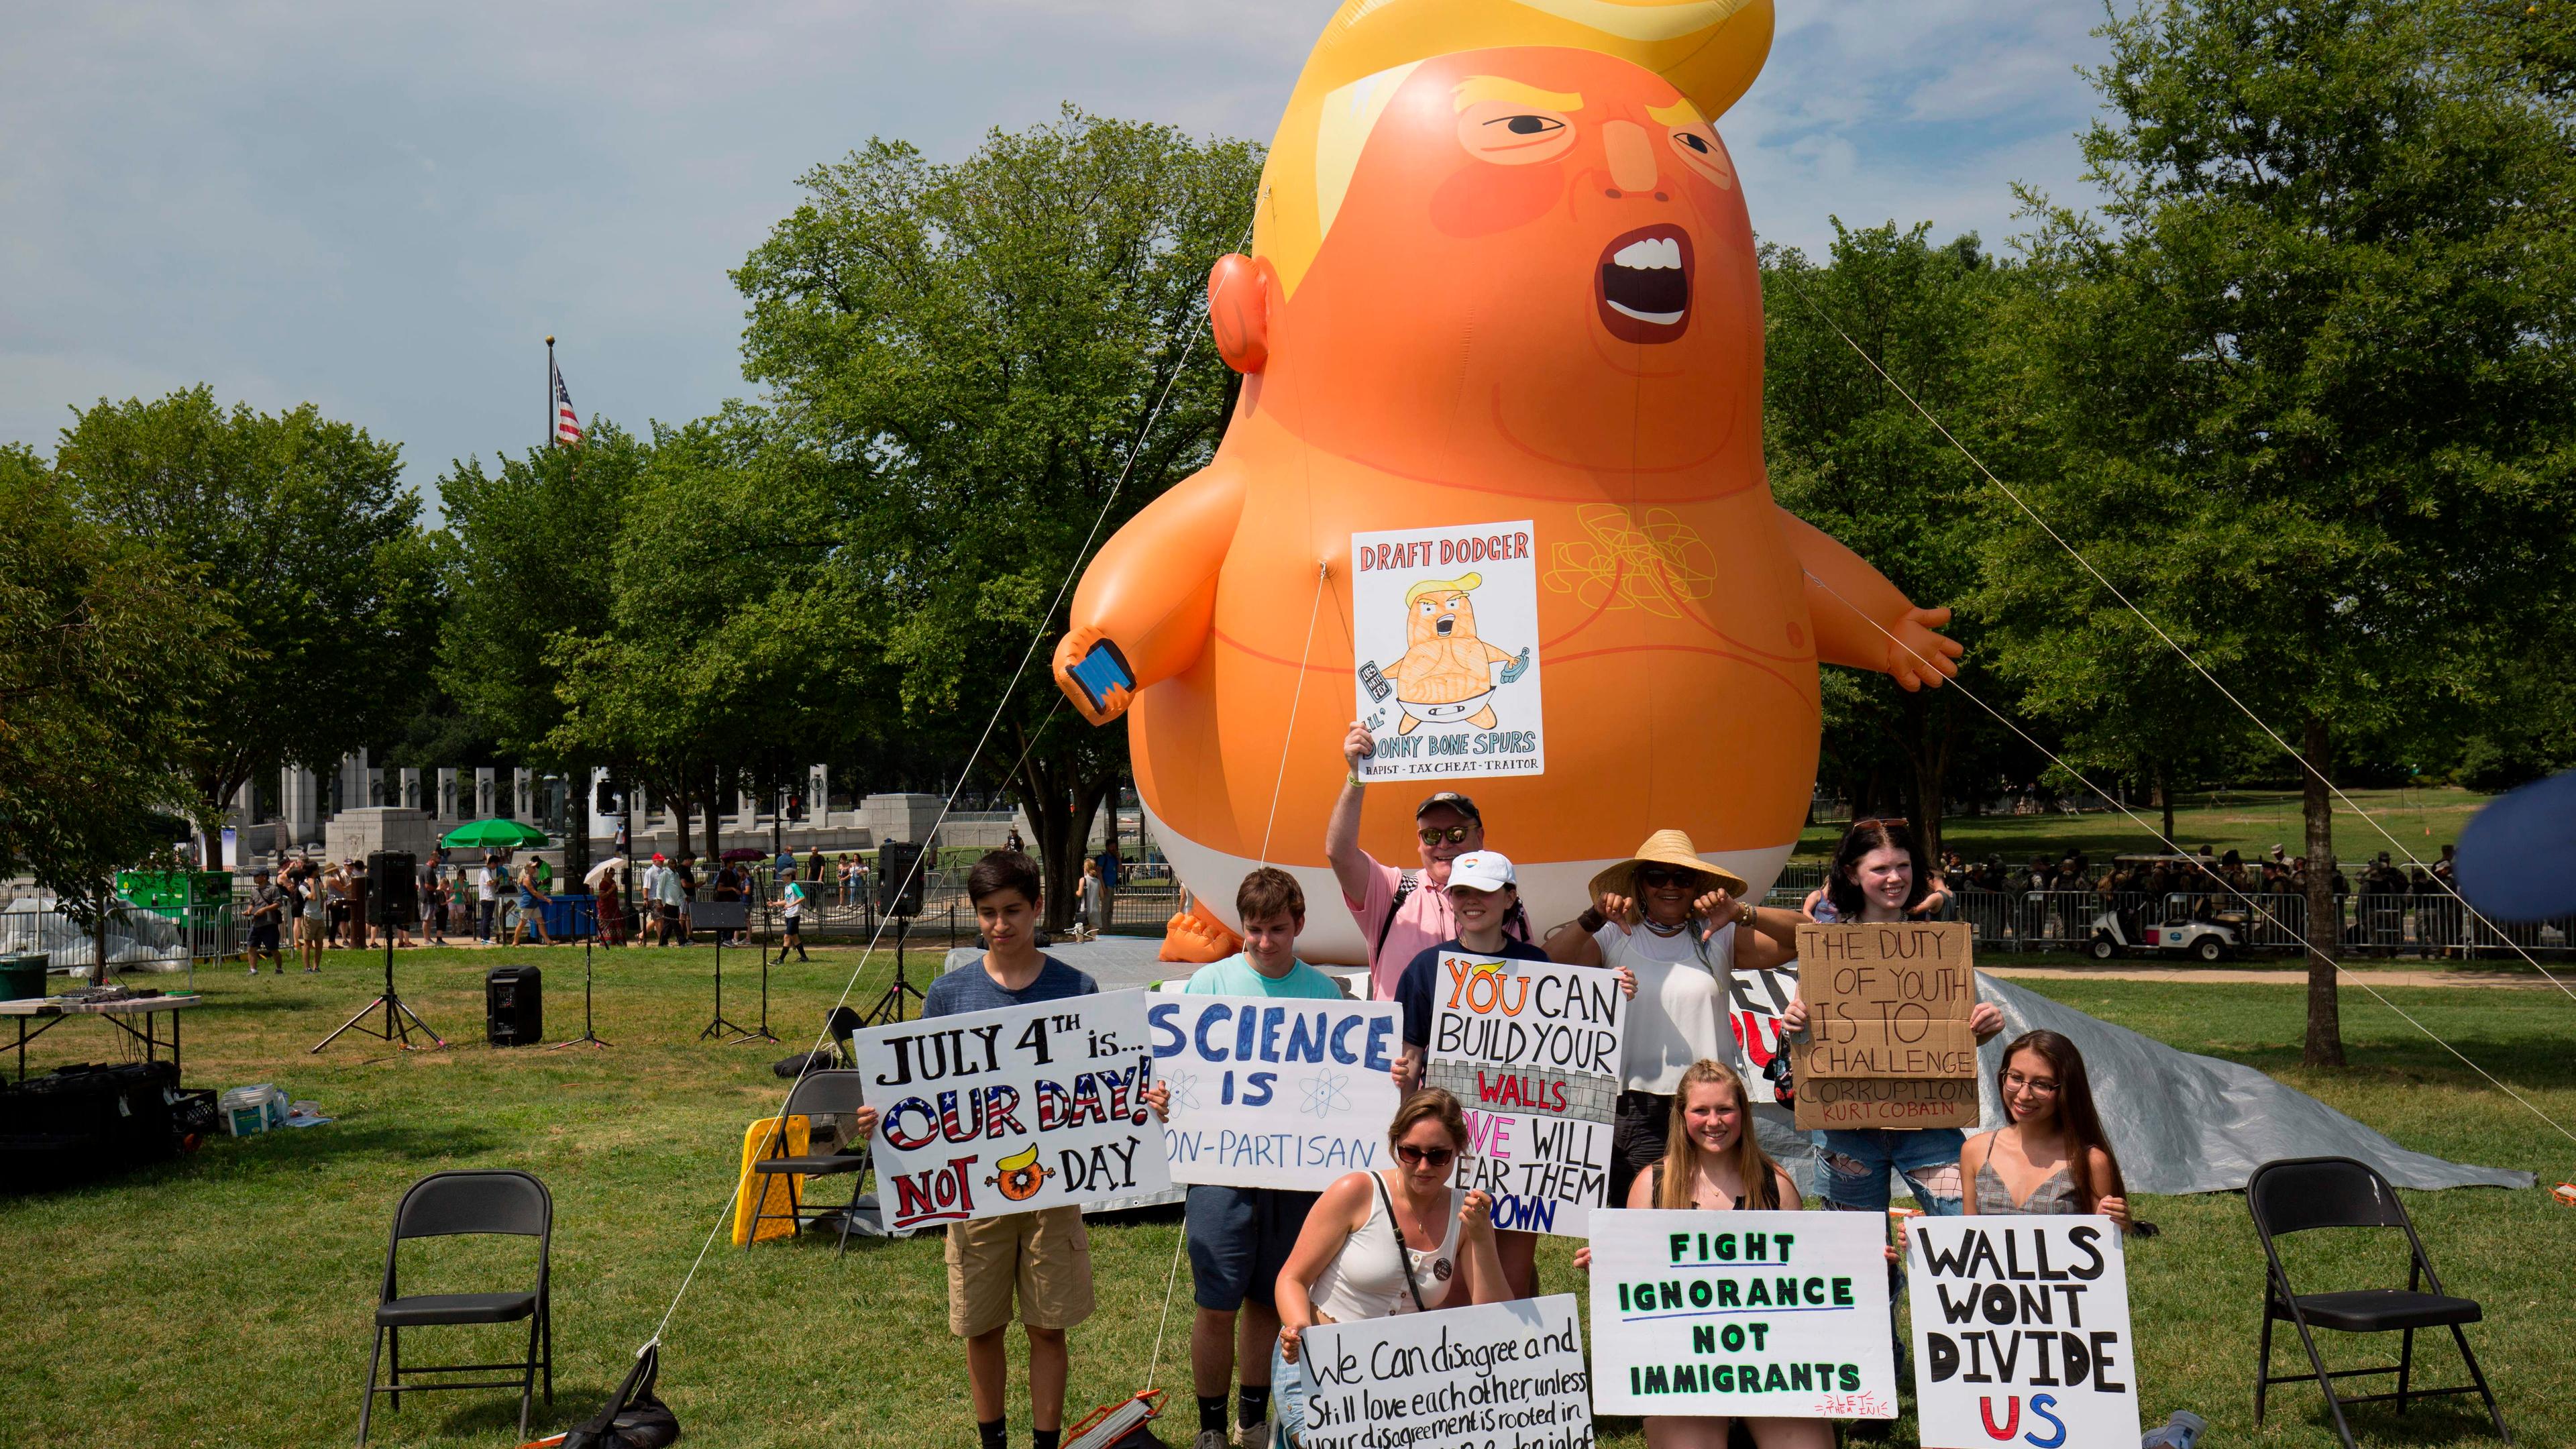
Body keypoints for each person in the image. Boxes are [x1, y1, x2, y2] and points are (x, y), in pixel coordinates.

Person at [850, 852, 1104, 1449]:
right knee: (981, 1328)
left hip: (1053, 1189)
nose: (1000, 925)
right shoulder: (948, 995)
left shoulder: (1077, 988)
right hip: (972, 1194)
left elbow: (1102, 1083)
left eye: (1013, 911)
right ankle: (993, 1441)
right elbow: (919, 1097)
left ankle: (1045, 1441)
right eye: (987, 913)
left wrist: (1141, 1097)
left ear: (1038, 907)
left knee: (1048, 1328)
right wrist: (882, 1119)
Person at [1572, 1059, 1829, 1449]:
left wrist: (1862, 1267)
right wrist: (1608, 1268)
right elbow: (1635, 1284)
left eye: (1725, 1109)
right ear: (1681, 1116)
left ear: (1743, 1112)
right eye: (1701, 1110)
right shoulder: (1651, 1184)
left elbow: (1809, 1272)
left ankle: (1745, 1419)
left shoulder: (1774, 1184)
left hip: (1770, 1361)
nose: (1714, 1121)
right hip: (1680, 1363)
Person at [1176, 868, 1346, 1449]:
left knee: (1268, 1301)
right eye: (1254, 930)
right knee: (1216, 1302)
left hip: (1299, 1177)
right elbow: (1176, 1083)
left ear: (1299, 924)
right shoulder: (1208, 986)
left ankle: (1252, 1419)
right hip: (1220, 1172)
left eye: (1277, 929)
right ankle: (1209, 1427)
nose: (1265, 941)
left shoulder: (1326, 994)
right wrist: (1163, 1098)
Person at [1546, 830, 1799, 1214]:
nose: (1669, 886)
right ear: (1639, 884)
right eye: (1656, 876)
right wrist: (1593, 918)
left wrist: (1743, 912)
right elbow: (1546, 966)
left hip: (1711, 1103)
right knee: (1640, 1219)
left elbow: (1806, 937)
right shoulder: (1614, 934)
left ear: (1697, 884)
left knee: (1719, 1208)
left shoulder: (1720, 935)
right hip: (1636, 1103)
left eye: (1682, 878)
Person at [1782, 819, 2006, 1216]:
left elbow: (1952, 1032)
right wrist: (1795, 1024)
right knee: (1857, 1259)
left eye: (1902, 866)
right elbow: (1805, 1041)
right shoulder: (1826, 947)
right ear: (1852, 874)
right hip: (1845, 1127)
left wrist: (1983, 1027)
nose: (1894, 878)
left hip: (1929, 1121)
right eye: (1880, 868)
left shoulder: (1940, 945)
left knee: (1961, 1233)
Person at [1387, 849, 1576, 1299]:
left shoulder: (1538, 966)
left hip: (1519, 1153)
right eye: (1462, 892)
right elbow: (1409, 1060)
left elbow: (1567, 1055)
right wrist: (1403, 1133)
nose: (1473, 902)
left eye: (1486, 892)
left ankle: (1518, 1363)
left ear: (1510, 898)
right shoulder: (1426, 969)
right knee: (1446, 1283)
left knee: (1508, 1280)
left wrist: (1618, 992)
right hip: (1448, 1147)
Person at [1272, 1089, 1509, 1447]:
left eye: (1438, 1155)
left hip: (1401, 1383)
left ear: (1459, 1152)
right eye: (1411, 1152)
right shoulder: (1356, 1191)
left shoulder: (1466, 1214)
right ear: (1395, 1145)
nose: (1424, 1166)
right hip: (1321, 1368)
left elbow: (1496, 1318)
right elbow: (1292, 1277)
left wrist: (1482, 1238)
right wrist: (1298, 1328)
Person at [1326, 720, 1528, 1001]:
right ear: (1420, 842)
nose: (1444, 844)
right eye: (1431, 835)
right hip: (1402, 1043)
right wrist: (1356, 777)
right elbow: (1339, 853)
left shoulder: (1504, 898)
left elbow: (1536, 971)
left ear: (1480, 837)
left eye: (1456, 834)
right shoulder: (1393, 891)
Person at [1960, 1030, 2131, 1226]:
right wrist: (1917, 1227)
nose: (2024, 1095)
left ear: (2066, 1089)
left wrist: (2112, 1224)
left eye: (2041, 1084)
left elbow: (2103, 1247)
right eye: (2016, 1078)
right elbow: (1969, 1238)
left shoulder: (2090, 1161)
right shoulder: (1975, 1151)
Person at [245, 869, 284, 974]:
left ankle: (279, 969)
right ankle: (253, 970)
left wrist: (264, 910)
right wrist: (249, 911)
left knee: (273, 949)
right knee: (251, 947)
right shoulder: (254, 891)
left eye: (257, 876)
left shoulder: (273, 889)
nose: (254, 878)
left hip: (269, 923)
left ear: (264, 877)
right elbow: (252, 903)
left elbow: (278, 903)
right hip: (256, 923)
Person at [511, 856, 553, 947]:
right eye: (533, 867)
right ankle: (515, 942)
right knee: (522, 922)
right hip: (528, 904)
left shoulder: (531, 878)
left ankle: (548, 941)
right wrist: (546, 899)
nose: (535, 868)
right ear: (528, 869)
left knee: (540, 921)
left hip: (533, 904)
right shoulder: (526, 880)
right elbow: (534, 892)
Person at [773, 873, 810, 963]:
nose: (782, 877)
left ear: (789, 876)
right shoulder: (787, 886)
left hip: (794, 916)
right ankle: (804, 958)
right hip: (789, 915)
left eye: (784, 876)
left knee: (787, 937)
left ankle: (780, 960)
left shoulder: (794, 886)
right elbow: (787, 900)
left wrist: (790, 905)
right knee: (795, 938)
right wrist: (774, 904)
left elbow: (802, 897)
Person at [1076, 858, 1106, 943]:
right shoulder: (1098, 881)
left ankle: (1080, 943)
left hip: (1084, 909)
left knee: (1080, 929)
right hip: (1095, 909)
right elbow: (1102, 896)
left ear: (1085, 868)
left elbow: (1080, 894)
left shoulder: (1083, 880)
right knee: (1094, 932)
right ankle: (1095, 946)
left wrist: (1076, 892)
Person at [476, 855, 503, 945]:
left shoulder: (486, 871)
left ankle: (483, 937)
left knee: (484, 919)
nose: (496, 867)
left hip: (485, 898)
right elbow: (489, 883)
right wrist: (499, 878)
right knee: (487, 919)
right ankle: (485, 937)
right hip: (488, 899)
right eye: (496, 865)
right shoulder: (486, 871)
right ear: (492, 863)